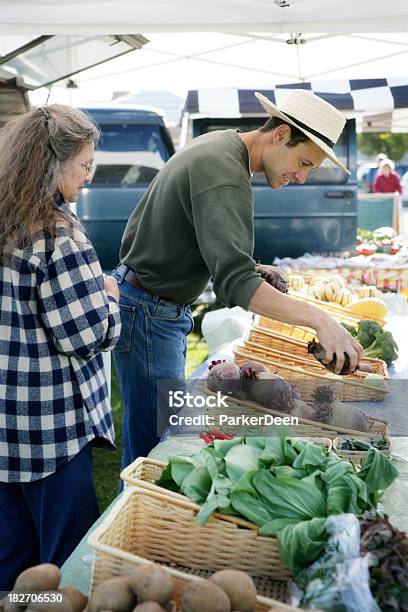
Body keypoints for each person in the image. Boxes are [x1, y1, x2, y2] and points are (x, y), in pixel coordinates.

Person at [112, 89, 363, 469]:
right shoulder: (225, 171)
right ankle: (128, 526)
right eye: (302, 162)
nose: (301, 176)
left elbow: (196, 237)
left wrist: (252, 267)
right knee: (151, 453)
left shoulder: (223, 147)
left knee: (155, 438)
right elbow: (235, 283)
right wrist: (320, 320)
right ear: (280, 135)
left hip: (151, 307)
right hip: (150, 313)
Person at [0, 105, 121, 589]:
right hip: (52, 433)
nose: (88, 177)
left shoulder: (6, 217)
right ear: (53, 164)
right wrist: (110, 299)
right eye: (85, 165)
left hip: (7, 427)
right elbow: (87, 335)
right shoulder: (58, 232)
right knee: (66, 567)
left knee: (12, 558)